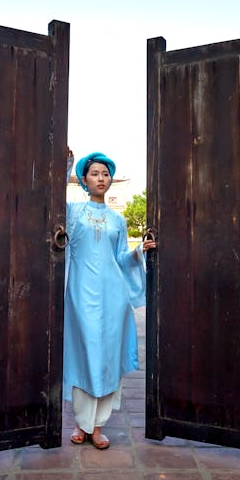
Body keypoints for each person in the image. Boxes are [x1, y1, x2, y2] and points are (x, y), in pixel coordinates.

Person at [63, 148, 156, 449]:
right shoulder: (73, 212)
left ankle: (98, 426)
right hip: (81, 296)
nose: (101, 178)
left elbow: (121, 258)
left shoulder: (118, 220)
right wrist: (64, 164)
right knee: (83, 355)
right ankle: (80, 423)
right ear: (83, 180)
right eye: (94, 174)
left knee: (107, 358)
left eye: (105, 174)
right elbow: (50, 200)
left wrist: (140, 251)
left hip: (114, 300)